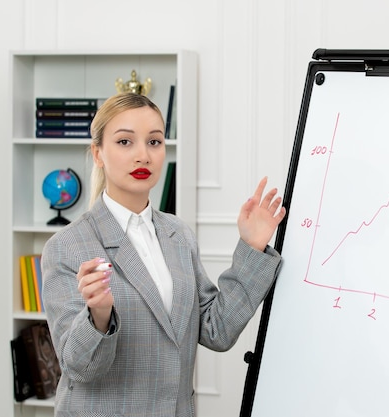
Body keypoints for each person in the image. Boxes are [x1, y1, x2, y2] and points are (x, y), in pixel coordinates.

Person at [41, 92, 286, 417]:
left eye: (154, 142)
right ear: (98, 153)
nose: (143, 155)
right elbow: (79, 368)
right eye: (125, 142)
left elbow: (217, 330)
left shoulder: (178, 235)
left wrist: (252, 246)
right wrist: (98, 315)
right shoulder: (67, 246)